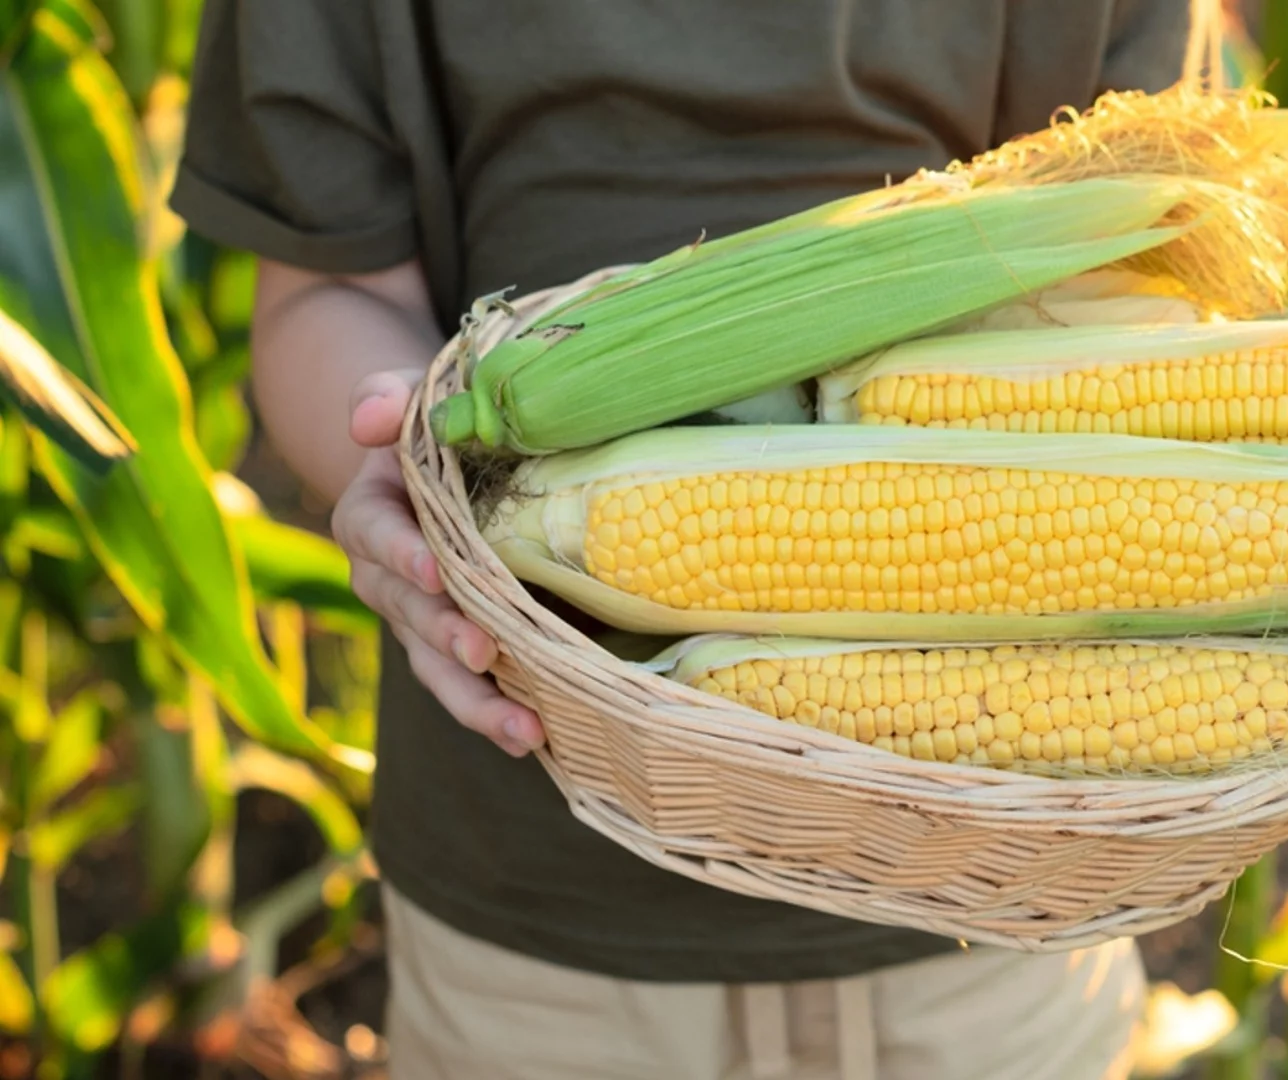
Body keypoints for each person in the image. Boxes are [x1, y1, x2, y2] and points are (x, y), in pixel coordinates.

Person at [172, 3, 1190, 1078]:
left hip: (995, 885)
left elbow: (1132, 253)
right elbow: (328, 285)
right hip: (538, 903)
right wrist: (415, 473)